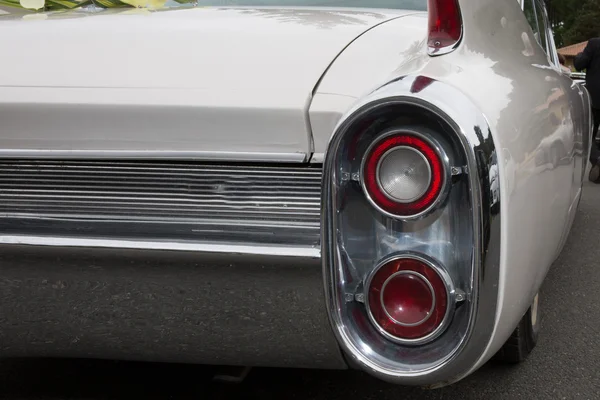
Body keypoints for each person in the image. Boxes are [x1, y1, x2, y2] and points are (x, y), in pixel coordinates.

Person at [575, 38, 600, 182]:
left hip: (595, 99)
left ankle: (597, 159)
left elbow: (579, 64)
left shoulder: (594, 44)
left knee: (589, 134)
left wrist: (579, 55)